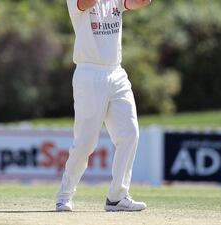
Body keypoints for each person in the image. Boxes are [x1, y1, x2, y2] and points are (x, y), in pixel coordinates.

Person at [56, 0, 151, 212]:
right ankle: (65, 195)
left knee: (130, 133)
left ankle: (117, 196)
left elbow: (139, 3)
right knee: (86, 142)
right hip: (89, 73)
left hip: (116, 71)